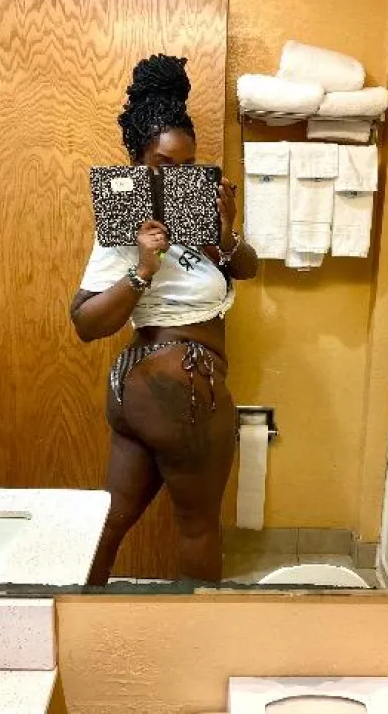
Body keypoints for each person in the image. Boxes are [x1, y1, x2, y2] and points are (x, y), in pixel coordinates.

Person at [71, 54, 258, 585]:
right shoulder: (126, 229)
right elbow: (85, 322)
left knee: (112, 521)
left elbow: (248, 268)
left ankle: (80, 614)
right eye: (161, 164)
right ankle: (198, 631)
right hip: (181, 382)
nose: (176, 176)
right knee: (198, 527)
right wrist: (143, 268)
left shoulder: (199, 221)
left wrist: (226, 232)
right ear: (135, 160)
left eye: (187, 165)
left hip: (145, 389)